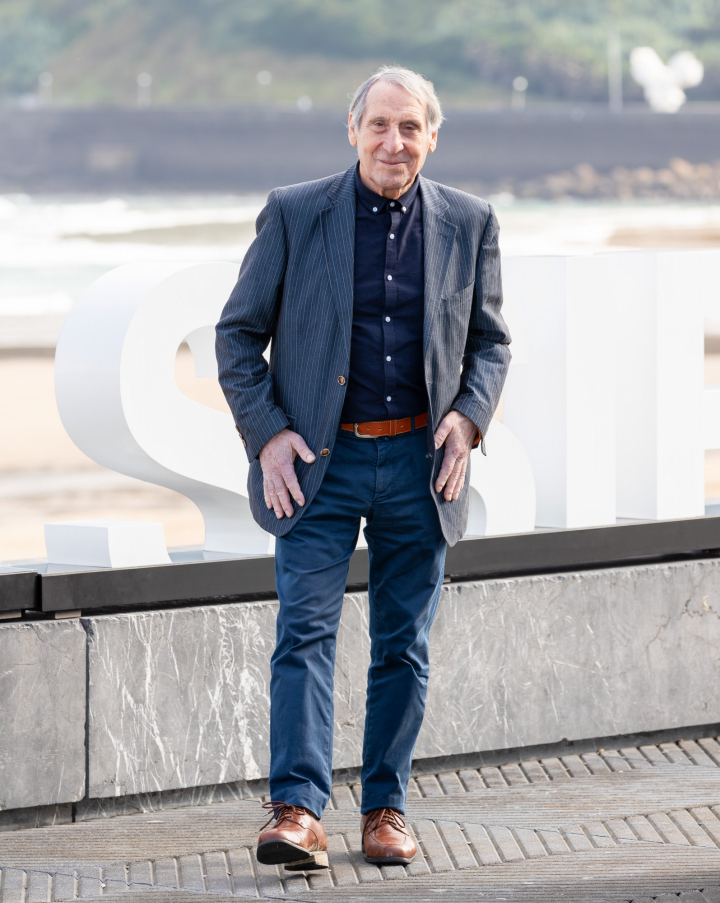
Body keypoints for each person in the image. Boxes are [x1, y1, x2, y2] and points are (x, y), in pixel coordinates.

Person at [216, 65, 511, 870]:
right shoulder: (295, 213)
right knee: (303, 632)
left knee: (402, 645)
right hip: (319, 462)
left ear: (432, 136)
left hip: (422, 465)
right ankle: (299, 811)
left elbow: (490, 342)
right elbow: (238, 336)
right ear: (353, 131)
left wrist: (469, 416)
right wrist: (269, 434)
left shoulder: (471, 222)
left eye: (410, 127)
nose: (394, 141)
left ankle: (385, 810)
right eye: (379, 125)